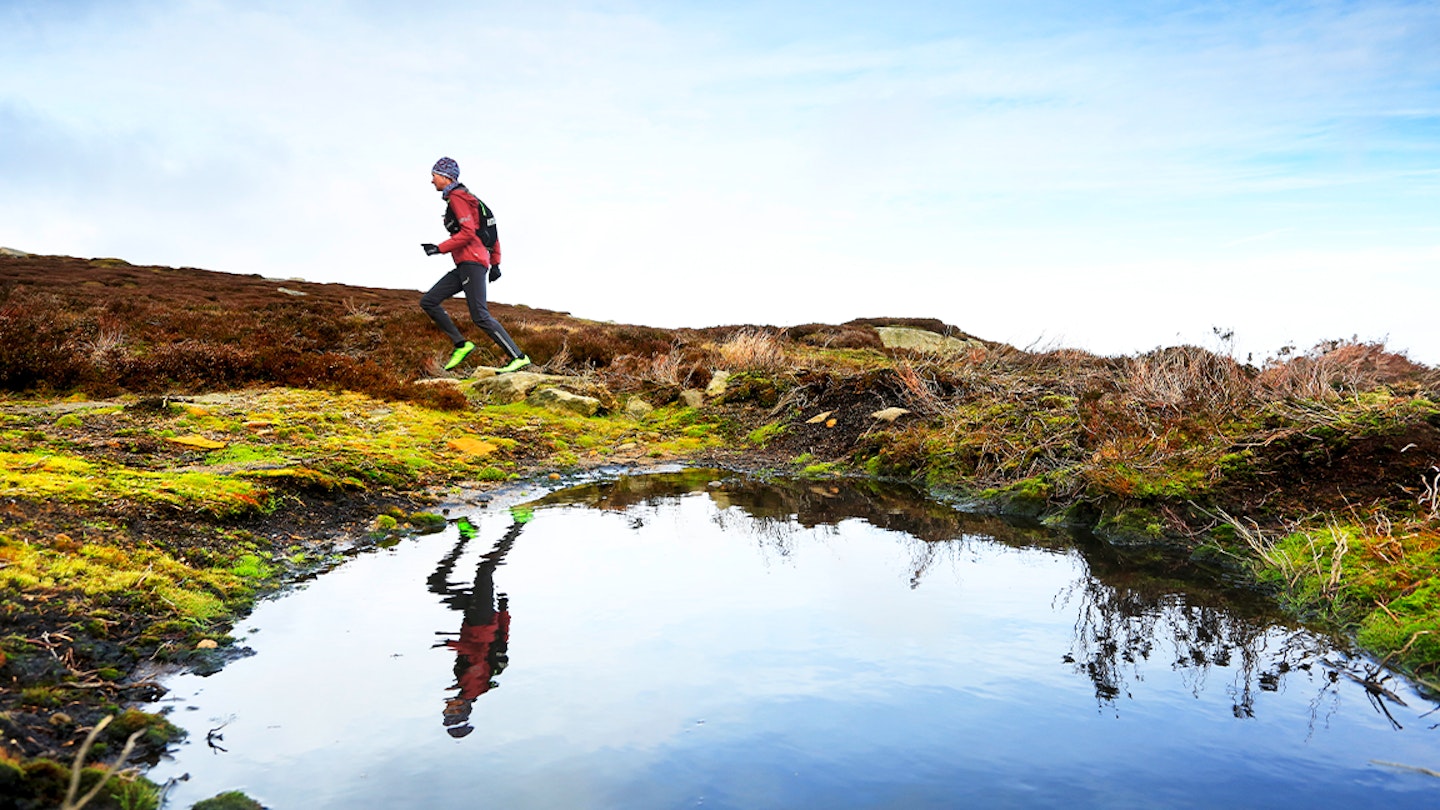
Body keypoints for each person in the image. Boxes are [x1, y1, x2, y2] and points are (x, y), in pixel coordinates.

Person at [419, 156, 531, 373]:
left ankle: (519, 357)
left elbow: (469, 233)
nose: (432, 181)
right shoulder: (468, 198)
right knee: (429, 301)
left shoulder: (457, 198)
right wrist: (495, 263)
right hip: (467, 264)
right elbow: (491, 232)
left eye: (434, 176)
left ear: (445, 176)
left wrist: (439, 248)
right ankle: (462, 344)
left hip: (472, 262)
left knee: (480, 315)